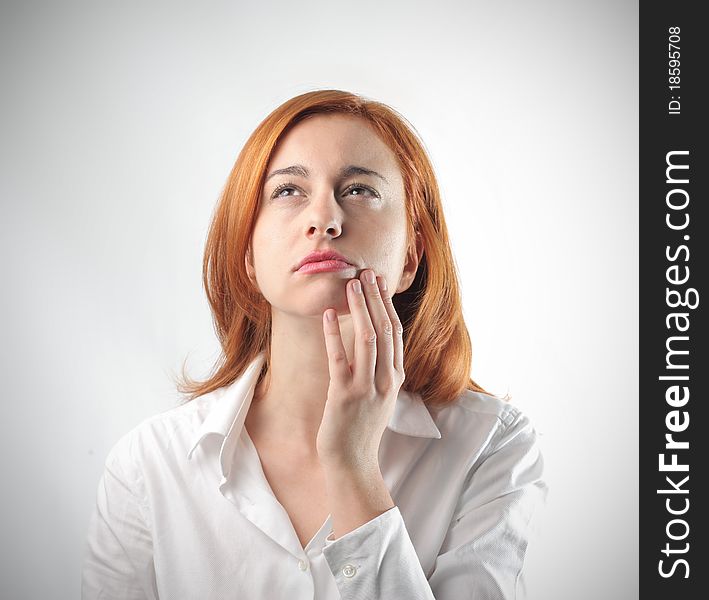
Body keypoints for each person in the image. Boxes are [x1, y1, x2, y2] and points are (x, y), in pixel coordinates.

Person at [81, 89, 547, 599]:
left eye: (360, 190)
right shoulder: (148, 465)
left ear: (412, 255)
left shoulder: (490, 447)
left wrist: (353, 468)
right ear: (247, 258)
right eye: (287, 191)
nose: (324, 219)